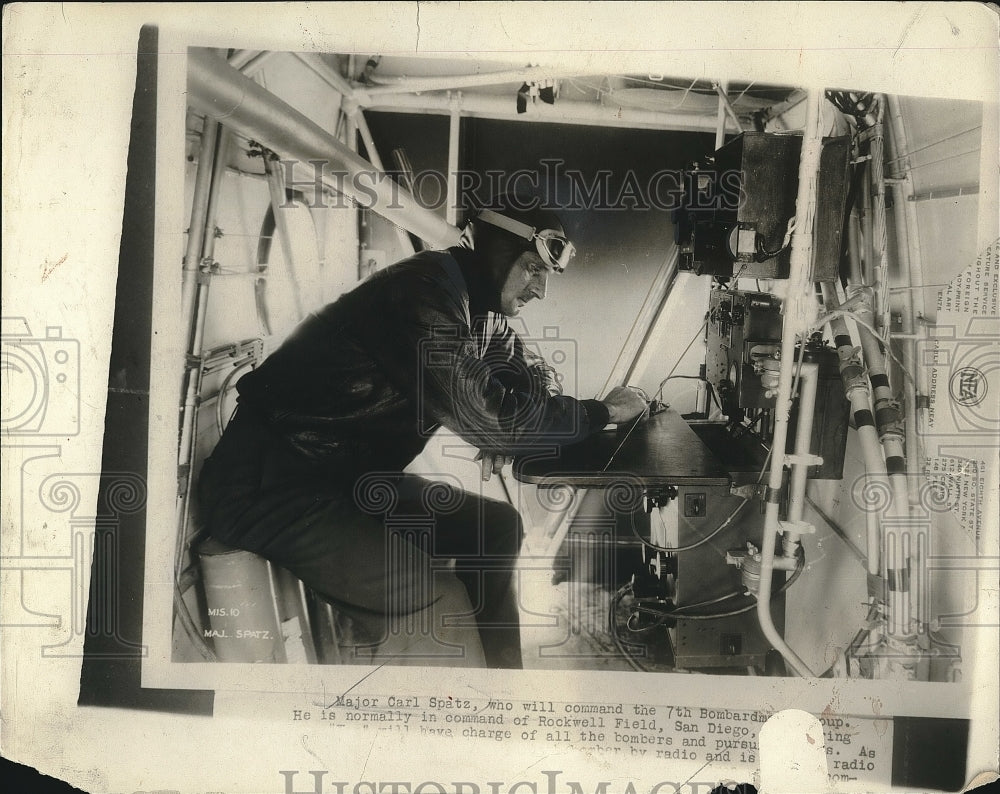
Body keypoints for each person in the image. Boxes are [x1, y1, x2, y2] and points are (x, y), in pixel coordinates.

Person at [197, 194, 648, 668]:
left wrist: (510, 425)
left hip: (348, 481)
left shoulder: (480, 311)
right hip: (271, 485)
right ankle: (460, 714)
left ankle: (501, 686)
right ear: (497, 250)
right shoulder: (422, 294)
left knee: (494, 529)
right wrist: (602, 412)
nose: (541, 289)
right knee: (433, 597)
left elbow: (522, 381)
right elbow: (497, 420)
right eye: (533, 269)